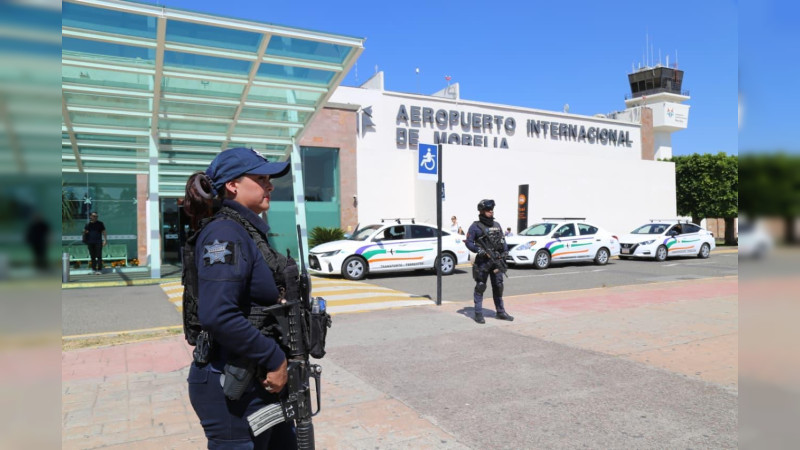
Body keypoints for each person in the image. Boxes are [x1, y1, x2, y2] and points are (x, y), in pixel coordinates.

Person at [182, 147, 296, 448]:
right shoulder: (225, 234)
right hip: (231, 383)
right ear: (233, 185)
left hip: (253, 378)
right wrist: (275, 360)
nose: (270, 186)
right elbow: (218, 314)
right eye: (261, 179)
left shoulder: (246, 231)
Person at [465, 199, 514, 324]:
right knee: (480, 286)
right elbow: (469, 242)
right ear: (481, 211)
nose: (491, 211)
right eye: (488, 210)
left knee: (498, 286)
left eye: (492, 209)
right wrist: (479, 251)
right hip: (483, 262)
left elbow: (503, 240)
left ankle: (500, 312)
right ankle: (478, 313)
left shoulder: (496, 225)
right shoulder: (475, 227)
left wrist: (505, 252)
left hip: (496, 261)